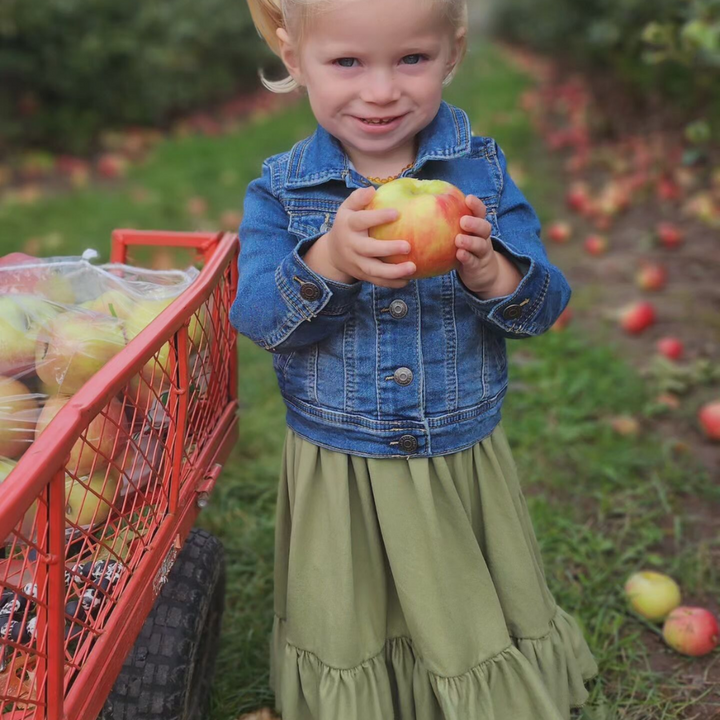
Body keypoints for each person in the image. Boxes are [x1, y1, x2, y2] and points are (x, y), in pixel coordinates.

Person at [231, 0, 599, 717]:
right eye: (346, 62)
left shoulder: (481, 175)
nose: (380, 91)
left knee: (455, 583)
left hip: (454, 448)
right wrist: (327, 259)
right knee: (352, 588)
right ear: (293, 58)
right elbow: (258, 318)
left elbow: (547, 304)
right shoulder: (282, 189)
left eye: (411, 60)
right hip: (343, 457)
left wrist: (497, 275)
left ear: (452, 53)